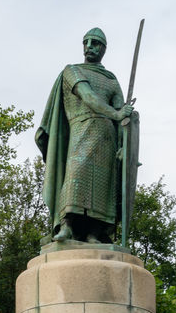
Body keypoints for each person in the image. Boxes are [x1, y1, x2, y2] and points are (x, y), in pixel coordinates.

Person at [36, 28, 135, 244]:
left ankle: (93, 233)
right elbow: (89, 97)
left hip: (106, 138)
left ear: (104, 49)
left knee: (103, 186)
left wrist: (124, 137)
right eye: (87, 42)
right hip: (81, 130)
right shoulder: (72, 71)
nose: (90, 46)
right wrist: (117, 113)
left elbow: (122, 116)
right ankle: (67, 226)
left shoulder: (110, 80)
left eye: (96, 43)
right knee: (75, 176)